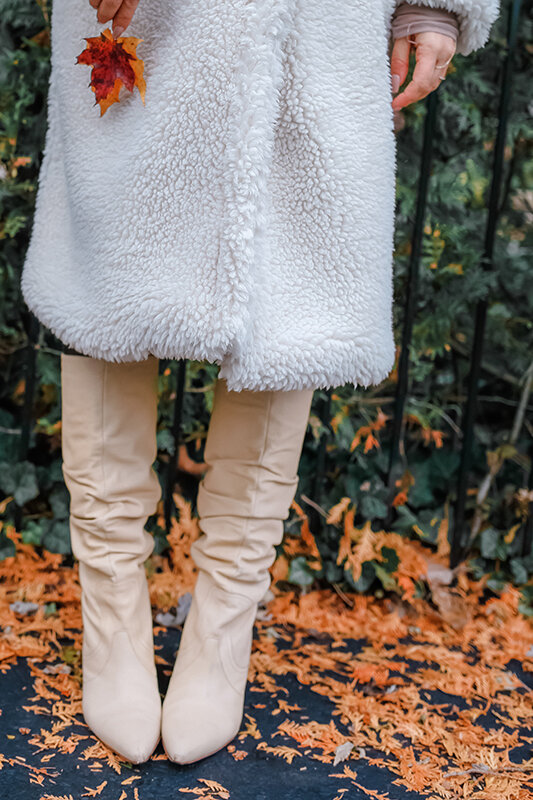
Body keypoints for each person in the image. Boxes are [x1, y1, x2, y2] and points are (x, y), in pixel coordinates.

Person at [20, 0, 500, 766]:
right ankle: (110, 614)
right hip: (152, 24)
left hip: (319, 26)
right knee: (108, 274)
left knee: (289, 297)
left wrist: (436, 5)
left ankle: (223, 625)